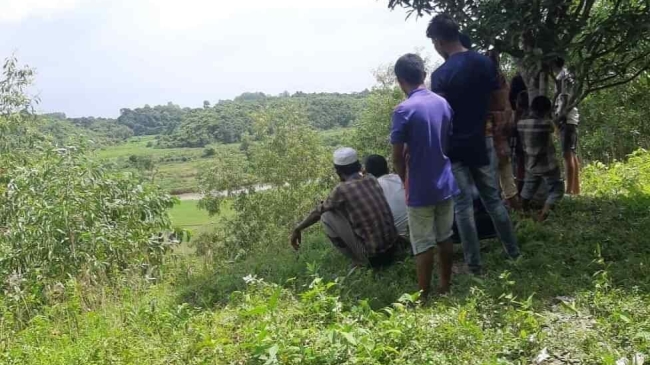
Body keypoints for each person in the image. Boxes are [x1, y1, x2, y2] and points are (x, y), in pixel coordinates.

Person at [426, 14, 520, 275]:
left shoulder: (441, 75)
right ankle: (513, 252)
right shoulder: (484, 63)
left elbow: (442, 118)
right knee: (493, 200)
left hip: (455, 147)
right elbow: (499, 103)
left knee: (463, 207)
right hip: (483, 140)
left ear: (439, 41)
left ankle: (474, 265)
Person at [391, 53, 458, 295]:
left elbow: (397, 157)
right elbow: (445, 140)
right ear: (424, 75)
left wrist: (403, 179)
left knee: (422, 243)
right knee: (445, 236)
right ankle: (446, 286)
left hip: (419, 187)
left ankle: (423, 296)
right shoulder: (442, 103)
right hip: (445, 182)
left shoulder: (403, 111)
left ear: (400, 80)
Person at [290, 147, 400, 268]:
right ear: (358, 165)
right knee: (339, 208)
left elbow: (317, 212)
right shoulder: (371, 179)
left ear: (338, 171)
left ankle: (359, 260)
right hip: (393, 247)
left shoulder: (341, 190)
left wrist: (298, 229)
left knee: (326, 215)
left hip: (374, 257)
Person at [518, 96, 565, 221]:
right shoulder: (546, 124)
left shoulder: (521, 124)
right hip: (547, 164)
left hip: (530, 164)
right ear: (546, 110)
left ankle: (522, 212)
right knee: (557, 188)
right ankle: (543, 214)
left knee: (528, 187)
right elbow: (554, 127)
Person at [486, 50, 519, 209]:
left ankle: (503, 206)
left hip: (493, 129)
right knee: (505, 170)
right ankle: (513, 205)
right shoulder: (501, 79)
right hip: (504, 127)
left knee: (495, 172)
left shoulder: (488, 81)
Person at [552, 57, 581, 195]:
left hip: (566, 120)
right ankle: (575, 189)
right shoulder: (566, 75)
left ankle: (569, 191)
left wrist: (558, 118)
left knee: (567, 154)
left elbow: (563, 98)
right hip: (571, 120)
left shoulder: (562, 76)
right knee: (572, 154)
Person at [364, 154, 409, 239]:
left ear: (368, 173)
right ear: (386, 167)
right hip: (419, 229)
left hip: (398, 238)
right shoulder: (401, 177)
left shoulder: (372, 188)